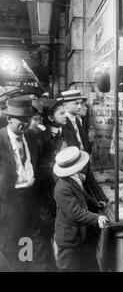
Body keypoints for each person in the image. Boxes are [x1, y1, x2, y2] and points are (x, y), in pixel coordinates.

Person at [53, 146, 109, 272]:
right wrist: (97, 217)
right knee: (68, 268)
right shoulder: (62, 188)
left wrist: (95, 203)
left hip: (78, 236)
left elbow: (83, 196)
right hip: (69, 239)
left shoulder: (75, 178)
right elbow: (75, 213)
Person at [0, 96, 39, 271]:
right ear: (9, 119)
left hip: (30, 199)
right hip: (7, 202)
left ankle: (26, 267)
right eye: (21, 120)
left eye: (28, 120)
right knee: (9, 245)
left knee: (28, 241)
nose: (25, 124)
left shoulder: (31, 137)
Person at [35, 98, 68, 271]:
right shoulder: (41, 140)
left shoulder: (61, 136)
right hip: (45, 196)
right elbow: (38, 171)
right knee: (45, 236)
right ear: (50, 117)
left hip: (57, 195)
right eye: (61, 113)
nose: (65, 115)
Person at [60, 89, 108, 206]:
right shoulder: (63, 123)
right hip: (73, 166)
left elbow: (82, 142)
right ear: (65, 106)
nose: (79, 106)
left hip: (83, 162)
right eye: (76, 103)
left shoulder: (78, 120)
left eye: (80, 103)